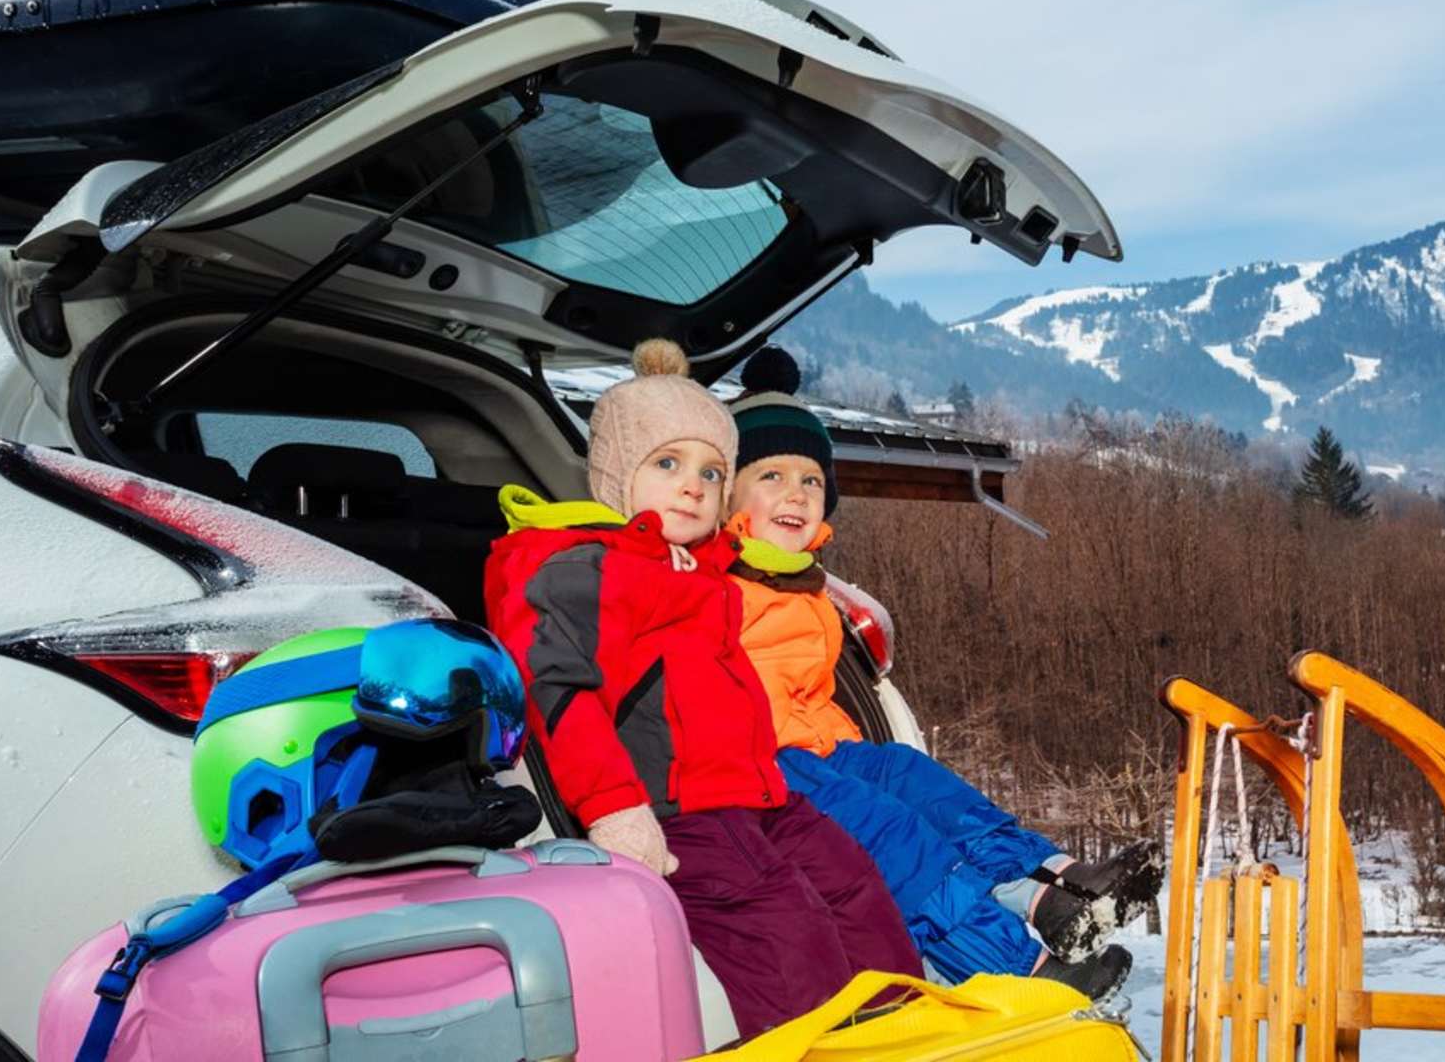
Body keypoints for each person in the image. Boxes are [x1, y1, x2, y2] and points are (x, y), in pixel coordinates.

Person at [483, 339, 920, 1038]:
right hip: (678, 811)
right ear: (616, 473)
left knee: (856, 888)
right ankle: (812, 1049)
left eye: (713, 472)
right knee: (786, 934)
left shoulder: (706, 575)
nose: (694, 485)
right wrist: (615, 809)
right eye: (667, 464)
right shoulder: (580, 568)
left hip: (759, 794)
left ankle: (902, 1040)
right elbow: (558, 691)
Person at [722, 346, 1162, 1001]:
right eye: (773, 477)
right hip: (765, 768)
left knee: (923, 784)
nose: (796, 494)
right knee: (899, 842)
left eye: (811, 481)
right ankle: (1024, 970)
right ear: (725, 491)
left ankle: (1062, 889)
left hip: (830, 750)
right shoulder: (707, 580)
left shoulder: (809, 586)